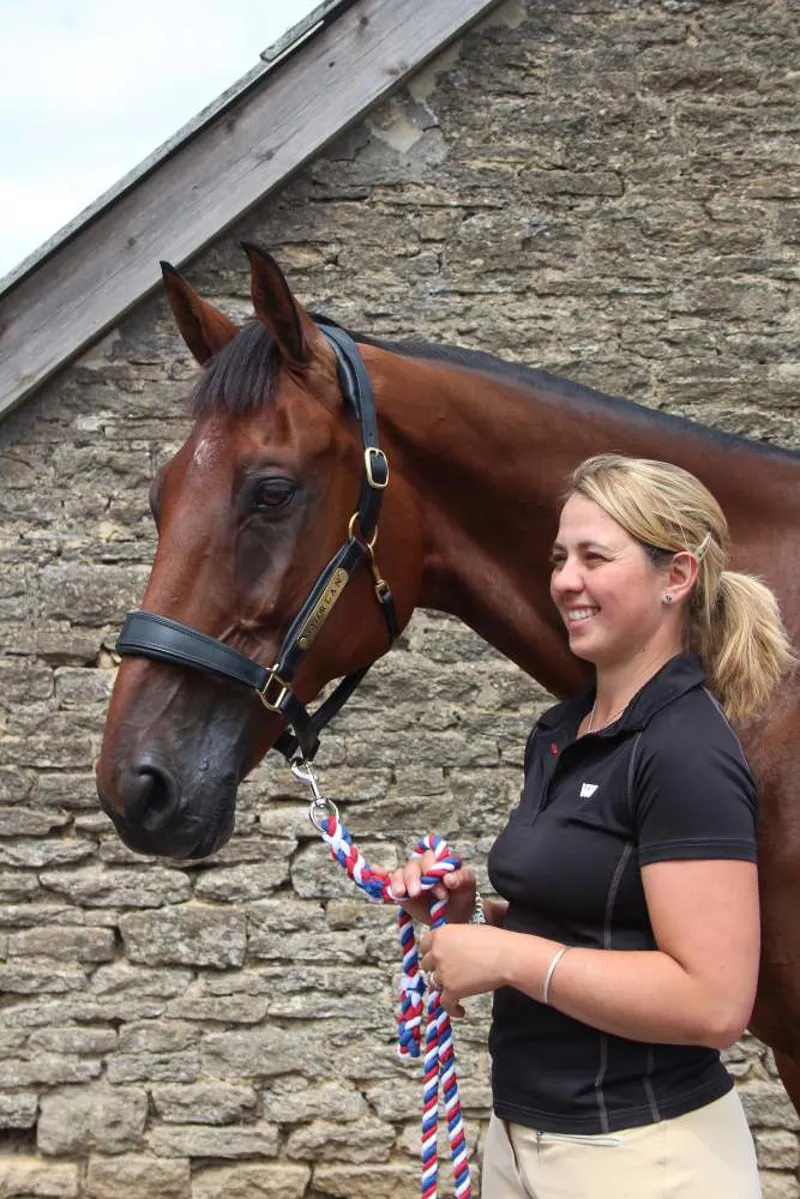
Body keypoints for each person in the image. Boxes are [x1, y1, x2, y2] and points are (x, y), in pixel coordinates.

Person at [391, 453, 795, 1199]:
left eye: (593, 556)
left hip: (643, 1160)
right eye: (559, 557)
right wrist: (471, 914)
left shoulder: (684, 751)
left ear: (676, 576)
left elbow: (712, 1001)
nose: (565, 580)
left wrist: (510, 958)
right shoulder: (561, 731)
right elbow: (595, 926)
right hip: (524, 1143)